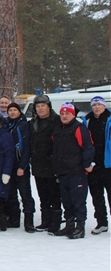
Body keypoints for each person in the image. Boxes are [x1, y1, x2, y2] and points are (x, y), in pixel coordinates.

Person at [49, 102, 95, 239]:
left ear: (73, 115)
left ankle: (80, 227)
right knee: (67, 201)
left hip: (77, 172)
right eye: (62, 114)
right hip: (63, 172)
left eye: (67, 114)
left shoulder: (79, 128)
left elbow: (88, 148)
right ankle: (69, 225)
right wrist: (55, 168)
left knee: (78, 201)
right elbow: (54, 151)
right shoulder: (57, 130)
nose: (64, 116)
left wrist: (87, 164)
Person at [29, 94, 62, 233]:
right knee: (42, 194)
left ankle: (55, 221)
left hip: (52, 163)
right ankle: (46, 220)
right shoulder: (33, 122)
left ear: (49, 107)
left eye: (43, 106)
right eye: (38, 106)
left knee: (54, 194)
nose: (40, 108)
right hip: (37, 163)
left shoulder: (56, 121)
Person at [5, 103, 36, 233]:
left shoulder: (23, 124)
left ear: (19, 111)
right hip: (9, 164)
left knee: (25, 194)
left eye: (14, 110)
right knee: (11, 194)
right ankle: (14, 219)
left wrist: (22, 166)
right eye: (10, 110)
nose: (12, 112)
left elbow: (27, 146)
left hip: (20, 164)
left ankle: (29, 222)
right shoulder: (6, 124)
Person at [83, 96, 111, 235]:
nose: (97, 107)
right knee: (97, 196)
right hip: (93, 165)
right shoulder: (87, 121)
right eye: (94, 105)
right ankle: (102, 222)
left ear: (104, 106)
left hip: (108, 165)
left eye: (99, 105)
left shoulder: (109, 119)